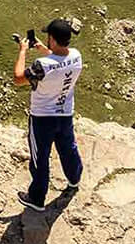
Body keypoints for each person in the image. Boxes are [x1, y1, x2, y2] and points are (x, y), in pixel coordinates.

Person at [12, 18, 84, 210]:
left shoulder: (42, 65)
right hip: (65, 113)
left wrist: (22, 51)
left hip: (42, 118)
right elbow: (59, 61)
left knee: (40, 157)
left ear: (52, 38)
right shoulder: (76, 56)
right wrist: (46, 50)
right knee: (68, 148)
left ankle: (36, 198)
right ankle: (74, 180)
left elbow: (19, 78)